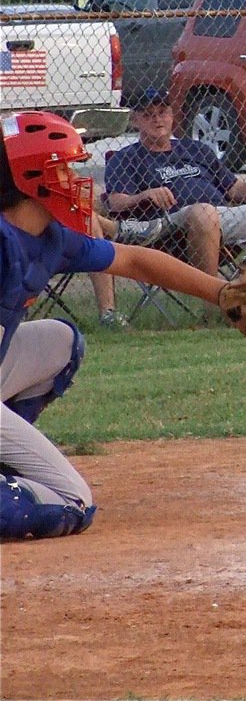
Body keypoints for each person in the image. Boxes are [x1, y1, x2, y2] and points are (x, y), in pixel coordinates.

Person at [0, 111, 230, 539]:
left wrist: (222, 295)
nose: (74, 179)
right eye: (63, 168)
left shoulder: (50, 237)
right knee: (73, 502)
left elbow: (133, 258)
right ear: (31, 178)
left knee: (61, 342)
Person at [103, 88, 246, 276]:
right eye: (148, 115)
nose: (157, 119)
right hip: (171, 231)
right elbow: (116, 202)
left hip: (221, 217)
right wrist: (145, 195)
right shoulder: (126, 158)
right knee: (204, 212)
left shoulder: (196, 149)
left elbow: (235, 188)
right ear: (135, 121)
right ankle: (213, 296)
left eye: (163, 112)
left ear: (172, 116)